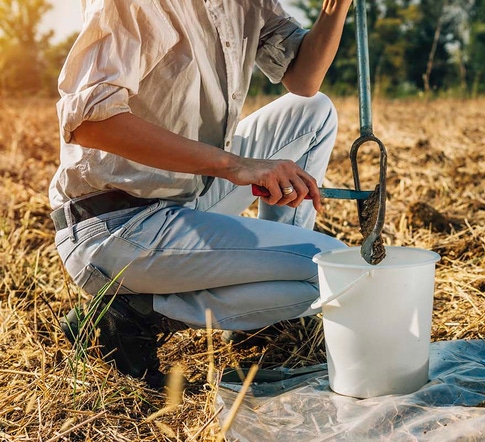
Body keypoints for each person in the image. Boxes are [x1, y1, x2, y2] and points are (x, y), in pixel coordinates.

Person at [51, 0, 353, 388]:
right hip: (116, 225)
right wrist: (236, 165)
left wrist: (336, 7)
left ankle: (268, 317)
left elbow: (303, 78)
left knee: (311, 111)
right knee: (333, 272)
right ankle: (133, 311)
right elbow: (92, 122)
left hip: (185, 194)